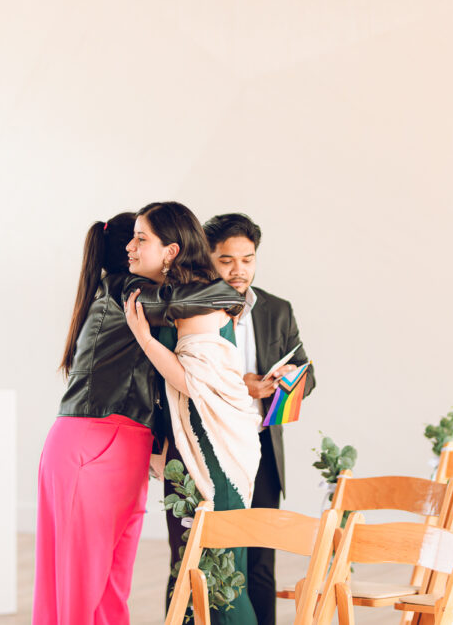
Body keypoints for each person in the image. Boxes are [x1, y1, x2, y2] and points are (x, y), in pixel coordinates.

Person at [33, 211, 244, 625]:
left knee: (111, 584)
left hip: (112, 444)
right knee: (81, 585)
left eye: (140, 239)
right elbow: (185, 301)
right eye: (135, 239)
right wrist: (234, 296)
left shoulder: (114, 290)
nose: (135, 246)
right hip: (96, 442)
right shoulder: (125, 289)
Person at [123, 201, 261, 625]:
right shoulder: (179, 297)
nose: (130, 247)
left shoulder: (199, 298)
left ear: (171, 251)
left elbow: (195, 383)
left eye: (141, 238)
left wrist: (144, 339)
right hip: (188, 449)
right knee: (185, 571)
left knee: (218, 578)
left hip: (212, 453)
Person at [202, 213, 316, 625]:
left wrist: (290, 378)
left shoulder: (277, 310)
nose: (239, 270)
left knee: (260, 560)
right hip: (212, 446)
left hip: (264, 446)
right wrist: (240, 385)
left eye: (247, 260)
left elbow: (309, 373)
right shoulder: (191, 306)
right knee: (200, 557)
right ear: (208, 259)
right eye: (227, 260)